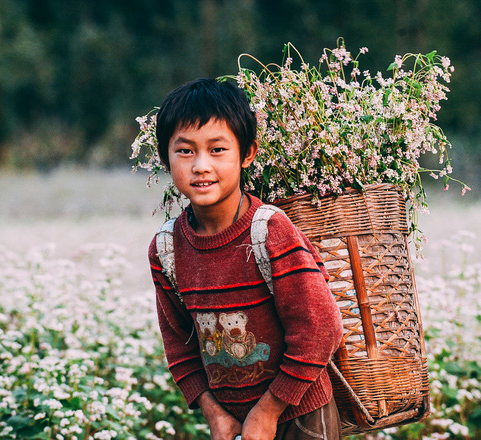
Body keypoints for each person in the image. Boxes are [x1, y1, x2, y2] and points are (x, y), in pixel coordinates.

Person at [147, 78, 344, 440]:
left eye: (218, 149)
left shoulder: (269, 231)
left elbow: (320, 330)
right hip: (234, 426)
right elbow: (180, 345)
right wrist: (214, 414)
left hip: (301, 418)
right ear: (165, 158)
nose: (201, 166)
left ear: (247, 154)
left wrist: (268, 411)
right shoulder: (166, 248)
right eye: (185, 151)